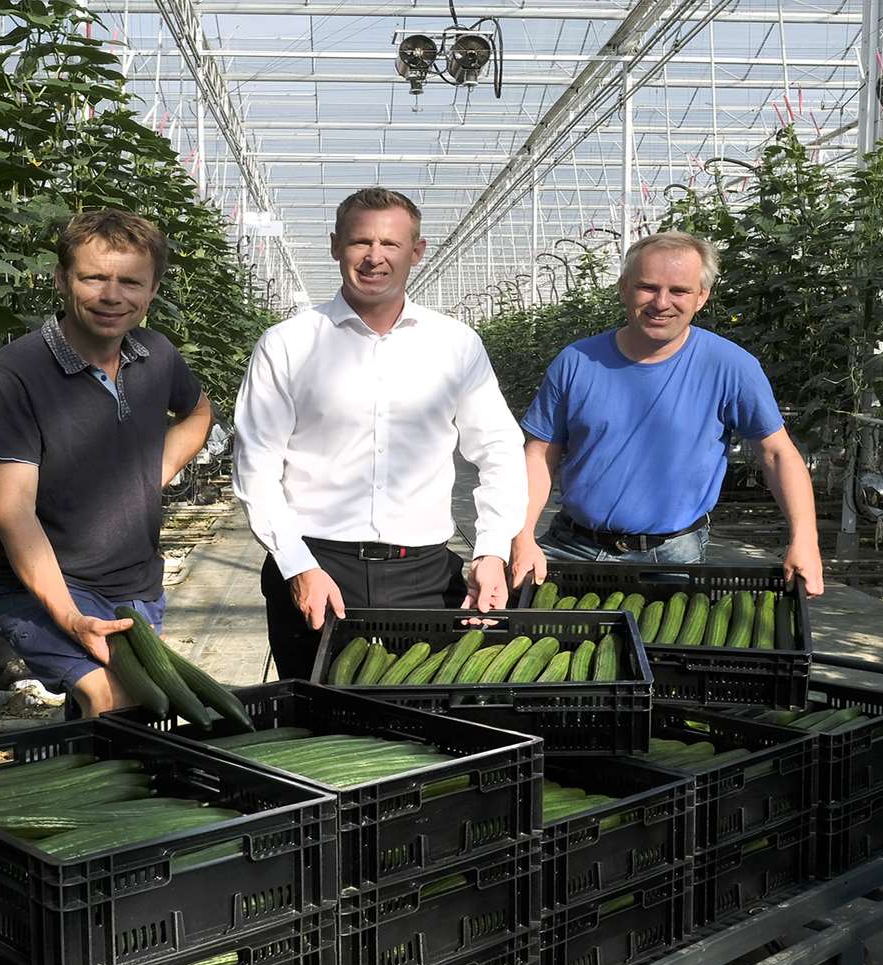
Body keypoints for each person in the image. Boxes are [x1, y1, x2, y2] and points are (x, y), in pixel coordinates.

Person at [234, 187, 527, 678]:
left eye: (390, 245)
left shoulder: (454, 344)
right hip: (316, 562)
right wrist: (295, 564)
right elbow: (256, 467)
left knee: (424, 719)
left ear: (416, 252)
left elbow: (499, 450)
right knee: (311, 717)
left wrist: (491, 551)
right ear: (335, 246)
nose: (374, 258)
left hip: (424, 573)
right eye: (359, 242)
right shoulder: (288, 344)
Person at [0, 209, 213, 717]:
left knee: (136, 716)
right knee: (116, 700)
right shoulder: (15, 373)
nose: (112, 296)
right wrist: (68, 615)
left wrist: (152, 475)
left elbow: (198, 410)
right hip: (44, 587)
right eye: (94, 278)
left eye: (130, 282)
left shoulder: (157, 354)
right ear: (62, 279)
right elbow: (11, 507)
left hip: (136, 587)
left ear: (152, 288)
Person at [509, 230, 824, 595]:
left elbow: (777, 453)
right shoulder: (577, 361)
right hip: (572, 547)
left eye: (679, 291)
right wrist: (522, 535)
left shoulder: (730, 366)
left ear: (701, 296)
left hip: (672, 555)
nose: (662, 302)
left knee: (663, 651)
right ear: (624, 288)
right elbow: (539, 454)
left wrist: (805, 539)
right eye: (647, 287)